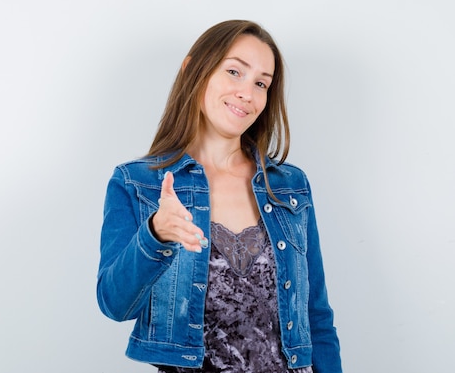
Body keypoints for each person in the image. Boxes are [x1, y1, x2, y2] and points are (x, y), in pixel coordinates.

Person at [96, 20, 342, 373]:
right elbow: (114, 304)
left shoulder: (290, 186)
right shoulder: (137, 184)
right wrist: (155, 235)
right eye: (234, 72)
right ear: (193, 69)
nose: (248, 93)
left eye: (261, 83)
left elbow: (316, 315)